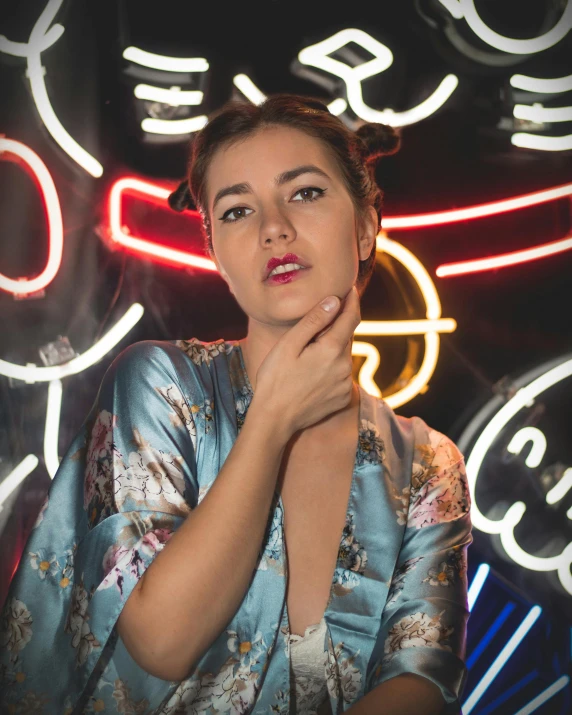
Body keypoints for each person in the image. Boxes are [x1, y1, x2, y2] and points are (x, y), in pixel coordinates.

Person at [0, 94, 472, 715]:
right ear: (215, 253)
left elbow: (422, 681)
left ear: (364, 226)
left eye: (304, 193)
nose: (273, 227)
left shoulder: (427, 466)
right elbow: (161, 642)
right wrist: (271, 420)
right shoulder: (160, 386)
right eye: (237, 209)